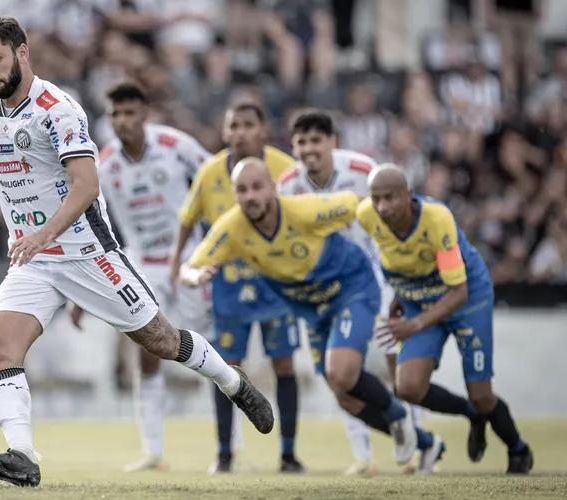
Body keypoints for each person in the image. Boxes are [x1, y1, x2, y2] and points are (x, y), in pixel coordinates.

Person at [0, 17, 274, 488]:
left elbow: (86, 186)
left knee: (163, 342)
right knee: (1, 348)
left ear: (22, 53)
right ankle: (22, 456)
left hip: (88, 254)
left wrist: (44, 234)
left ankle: (232, 382)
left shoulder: (59, 109)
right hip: (33, 261)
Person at [180, 158, 446, 476]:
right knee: (344, 395)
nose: (250, 196)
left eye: (257, 187)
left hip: (352, 288)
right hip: (312, 310)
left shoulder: (305, 210)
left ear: (273, 188)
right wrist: (194, 277)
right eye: (242, 190)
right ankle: (426, 442)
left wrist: (414, 242)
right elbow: (190, 265)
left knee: (342, 371)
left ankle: (397, 414)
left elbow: (360, 205)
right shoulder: (232, 227)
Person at [67, 82, 214, 472]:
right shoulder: (105, 163)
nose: (123, 121)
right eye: (115, 114)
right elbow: (92, 226)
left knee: (215, 350)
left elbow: (216, 181)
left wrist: (223, 246)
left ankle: (227, 450)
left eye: (130, 113)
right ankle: (153, 451)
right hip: (144, 265)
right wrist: (80, 291)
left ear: (145, 114)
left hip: (190, 259)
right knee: (147, 351)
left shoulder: (175, 145)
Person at [276, 108, 425, 475]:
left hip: (377, 274)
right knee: (339, 371)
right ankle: (363, 455)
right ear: (294, 146)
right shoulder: (287, 185)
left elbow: (400, 215)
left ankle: (419, 445)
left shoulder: (363, 171)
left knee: (396, 360)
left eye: (316, 140)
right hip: (326, 288)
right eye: (302, 142)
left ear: (332, 142)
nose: (309, 148)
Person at [360, 164, 534, 475]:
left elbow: (458, 292)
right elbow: (402, 258)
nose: (382, 207)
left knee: (482, 395)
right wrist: (400, 298)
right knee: (408, 387)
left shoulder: (437, 219)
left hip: (467, 299)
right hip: (417, 300)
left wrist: (413, 325)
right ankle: (472, 415)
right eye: (376, 199)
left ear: (409, 196)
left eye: (390, 198)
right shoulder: (366, 216)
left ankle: (518, 449)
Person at [172, 101, 304, 474]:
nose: (241, 131)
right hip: (228, 283)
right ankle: (224, 455)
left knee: (284, 365)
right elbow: (187, 219)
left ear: (263, 129)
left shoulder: (286, 169)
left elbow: (304, 217)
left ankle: (289, 454)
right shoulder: (210, 171)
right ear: (225, 131)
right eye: (234, 125)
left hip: (276, 282)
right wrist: (177, 267)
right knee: (227, 369)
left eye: (248, 124)